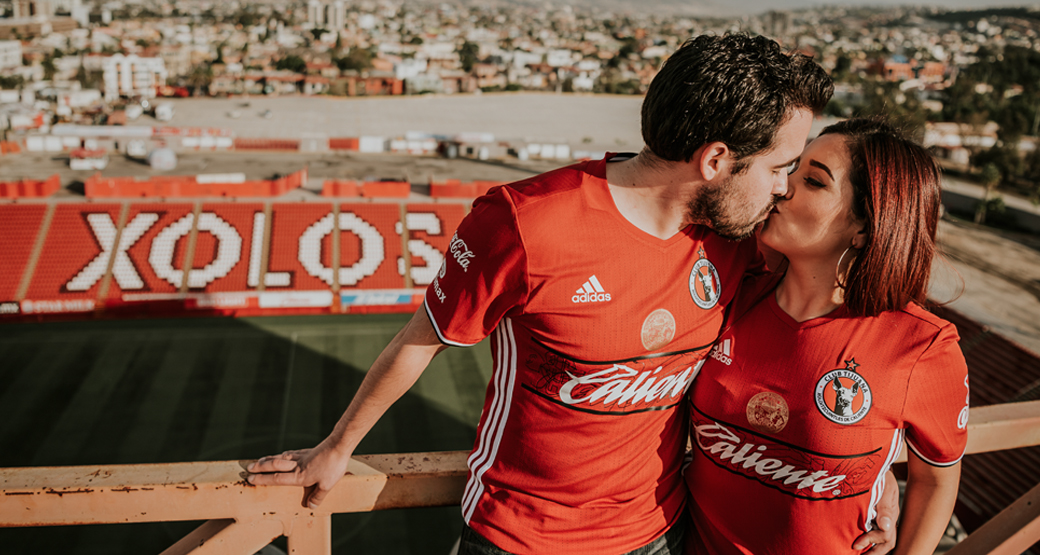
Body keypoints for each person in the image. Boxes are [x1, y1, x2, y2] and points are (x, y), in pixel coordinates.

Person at [247, 35, 897, 554]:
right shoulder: (524, 222)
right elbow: (423, 340)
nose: (784, 188)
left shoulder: (739, 238)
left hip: (659, 533)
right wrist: (336, 448)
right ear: (715, 160)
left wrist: (881, 468)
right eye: (781, 167)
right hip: (520, 538)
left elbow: (840, 326)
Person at [685, 118, 968, 555]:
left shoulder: (921, 347)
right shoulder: (727, 292)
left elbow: (936, 478)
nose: (782, 187)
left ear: (865, 228)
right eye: (792, 169)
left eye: (814, 181)